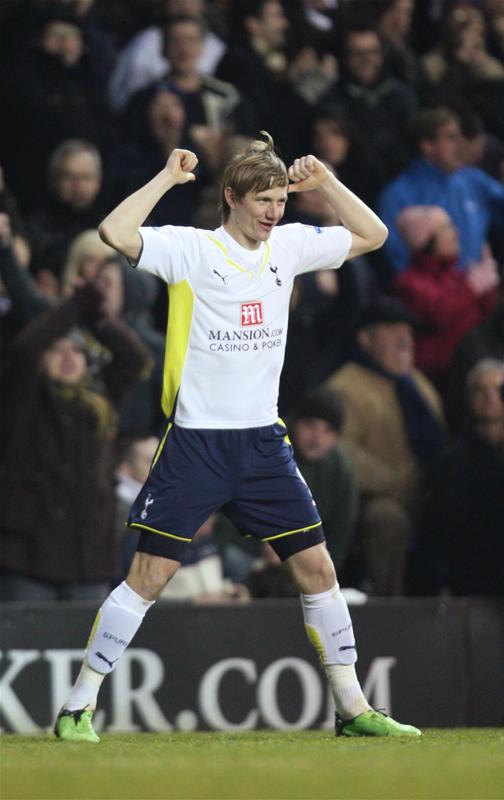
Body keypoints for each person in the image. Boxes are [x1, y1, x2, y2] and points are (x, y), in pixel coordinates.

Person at [54, 132, 421, 742]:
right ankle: (77, 707)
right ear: (232, 197)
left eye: (280, 200)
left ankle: (353, 708)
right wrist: (166, 178)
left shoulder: (290, 246)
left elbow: (375, 234)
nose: (274, 212)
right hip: (196, 443)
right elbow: (114, 232)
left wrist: (325, 183)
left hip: (262, 446)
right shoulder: (192, 251)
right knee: (149, 575)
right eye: (263, 201)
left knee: (318, 570)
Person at [0, 284, 150, 601]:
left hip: (88, 560)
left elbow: (134, 358)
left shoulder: (100, 400)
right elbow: (25, 350)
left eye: (78, 350)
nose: (69, 357)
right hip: (28, 558)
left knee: (86, 635)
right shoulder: (22, 397)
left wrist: (99, 320)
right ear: (43, 357)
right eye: (57, 349)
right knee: (28, 633)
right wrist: (71, 310)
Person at [325, 296, 445, 596]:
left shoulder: (417, 383)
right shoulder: (345, 387)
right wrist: (397, 481)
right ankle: (390, 605)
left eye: (408, 332)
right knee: (387, 518)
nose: (405, 340)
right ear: (366, 339)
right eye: (393, 331)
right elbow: (342, 452)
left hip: (426, 493)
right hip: (371, 499)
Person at [378, 107, 504, 273]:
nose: (460, 145)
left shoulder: (474, 180)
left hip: (480, 286)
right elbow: (397, 258)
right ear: (427, 145)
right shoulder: (398, 194)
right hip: (428, 288)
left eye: (460, 137)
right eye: (451, 137)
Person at [393, 205, 499, 393]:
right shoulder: (408, 283)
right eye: (446, 227)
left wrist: (489, 289)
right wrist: (472, 288)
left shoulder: (456, 277)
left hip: (473, 367)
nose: (455, 232)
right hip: (443, 380)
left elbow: (486, 317)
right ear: (426, 240)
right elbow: (440, 314)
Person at [421, 358, 504, 596]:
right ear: (469, 397)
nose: (490, 397)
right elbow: (458, 524)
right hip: (475, 566)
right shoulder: (452, 457)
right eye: (481, 390)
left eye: (498, 390)